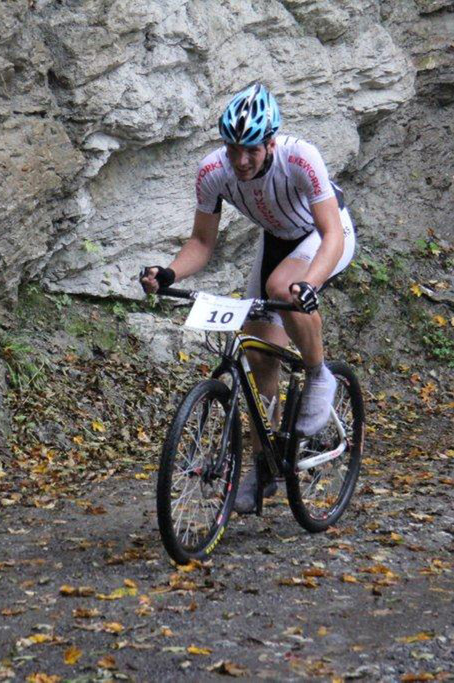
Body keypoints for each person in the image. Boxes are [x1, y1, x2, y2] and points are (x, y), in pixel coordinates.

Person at [140, 83, 356, 514]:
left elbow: (331, 233)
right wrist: (168, 273)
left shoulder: (301, 157)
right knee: (259, 355)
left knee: (283, 288)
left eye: (251, 150)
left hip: (326, 236)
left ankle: (319, 376)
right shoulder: (212, 171)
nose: (241, 160)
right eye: (233, 149)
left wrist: (310, 284)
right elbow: (202, 243)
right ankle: (263, 467)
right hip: (276, 242)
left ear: (270, 143)